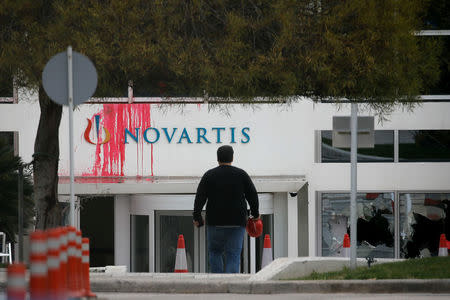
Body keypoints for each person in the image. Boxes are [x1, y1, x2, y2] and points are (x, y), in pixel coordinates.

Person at [193, 145, 259, 273]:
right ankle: (231, 283)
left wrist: (197, 217)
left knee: (215, 252)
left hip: (215, 222)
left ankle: (217, 282)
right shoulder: (241, 174)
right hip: (237, 222)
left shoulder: (209, 175)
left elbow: (200, 197)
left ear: (217, 159)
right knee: (233, 255)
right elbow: (252, 195)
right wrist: (255, 214)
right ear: (232, 157)